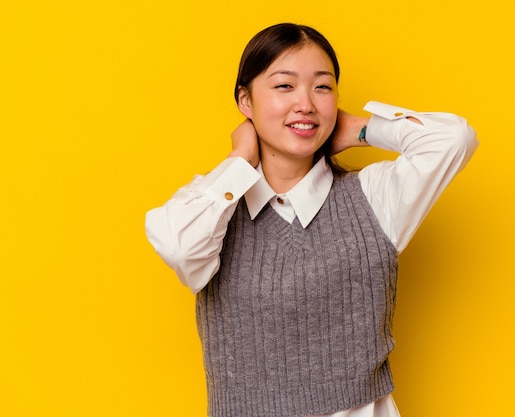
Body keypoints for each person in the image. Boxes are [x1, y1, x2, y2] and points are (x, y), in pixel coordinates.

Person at [145, 22, 478, 417]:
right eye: (284, 86)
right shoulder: (216, 209)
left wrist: (361, 130)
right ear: (245, 101)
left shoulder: (373, 200)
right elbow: (177, 245)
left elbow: (454, 139)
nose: (305, 103)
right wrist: (240, 160)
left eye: (322, 87)